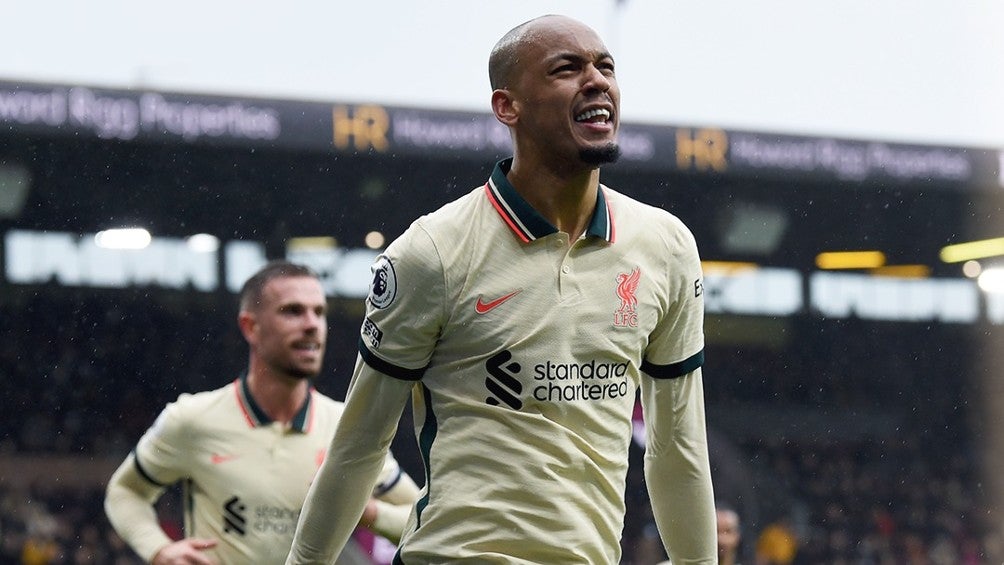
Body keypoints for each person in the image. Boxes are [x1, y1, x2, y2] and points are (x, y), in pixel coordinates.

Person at [286, 14, 716, 564]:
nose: (596, 80)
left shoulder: (666, 247)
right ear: (507, 106)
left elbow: (678, 449)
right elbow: (358, 448)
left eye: (605, 67)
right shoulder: (433, 252)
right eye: (567, 68)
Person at [104, 260, 420, 564]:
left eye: (319, 312)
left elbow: (422, 514)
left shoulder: (348, 428)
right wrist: (159, 550)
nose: (311, 324)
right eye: (293, 311)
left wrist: (370, 513)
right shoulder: (191, 419)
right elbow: (125, 491)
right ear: (250, 326)